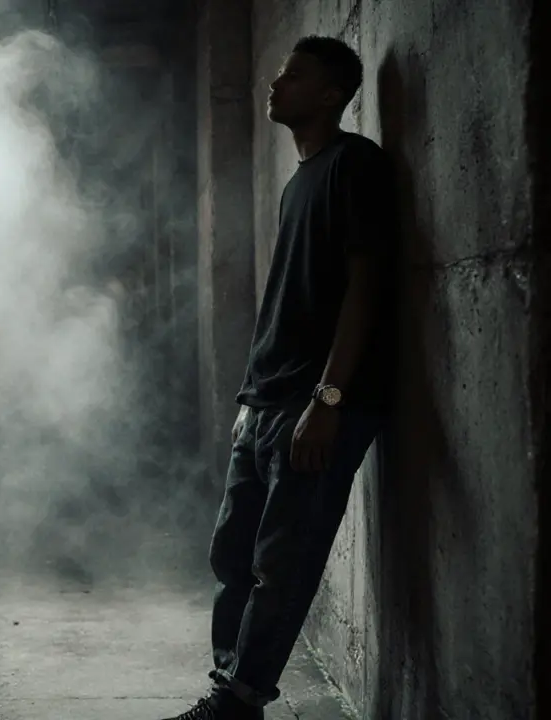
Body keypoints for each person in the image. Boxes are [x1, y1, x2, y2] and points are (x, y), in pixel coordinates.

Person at [160, 37, 397, 720]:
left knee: (281, 565)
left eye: (294, 75)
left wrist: (329, 398)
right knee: (233, 559)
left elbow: (366, 287)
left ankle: (237, 702)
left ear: (330, 94)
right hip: (265, 402)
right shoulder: (299, 181)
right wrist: (250, 399)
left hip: (314, 404)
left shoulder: (355, 164)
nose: (276, 82)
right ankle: (229, 689)